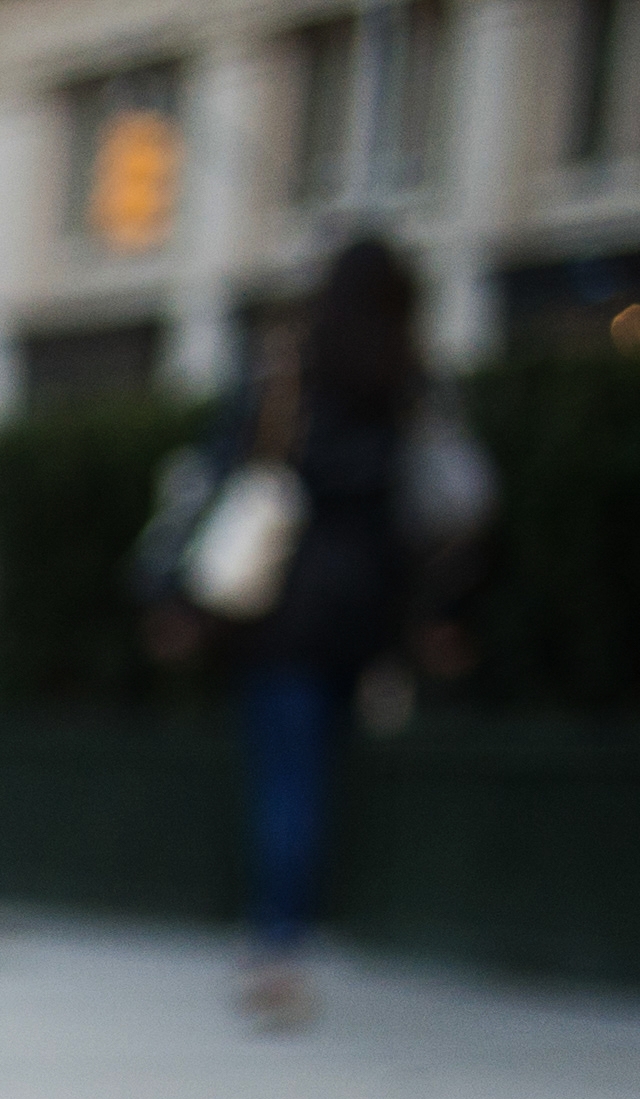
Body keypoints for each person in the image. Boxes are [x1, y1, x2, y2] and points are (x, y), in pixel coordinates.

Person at [185, 236, 450, 1031]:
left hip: (281, 607)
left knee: (285, 783)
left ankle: (278, 943)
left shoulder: (287, 376)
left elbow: (220, 474)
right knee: (319, 779)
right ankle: (292, 932)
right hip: (364, 615)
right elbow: (431, 508)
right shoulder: (407, 384)